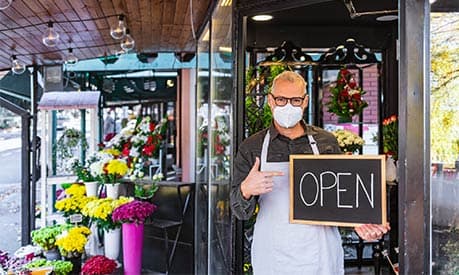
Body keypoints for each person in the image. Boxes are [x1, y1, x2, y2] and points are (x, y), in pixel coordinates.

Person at [230, 71, 389, 274]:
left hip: (321, 253)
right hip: (273, 254)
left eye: (295, 100)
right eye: (281, 99)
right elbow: (239, 211)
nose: (288, 106)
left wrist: (361, 221)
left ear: (305, 102)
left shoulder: (326, 142)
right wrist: (246, 189)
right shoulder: (251, 147)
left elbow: (343, 198)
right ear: (270, 100)